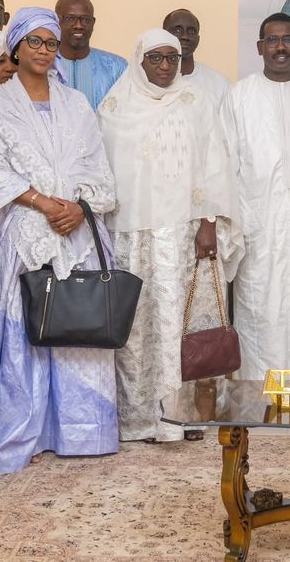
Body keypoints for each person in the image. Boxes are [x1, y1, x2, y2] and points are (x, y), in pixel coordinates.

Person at [0, 9, 119, 473]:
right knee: (25, 330)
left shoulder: (76, 102)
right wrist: (41, 201)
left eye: (50, 43)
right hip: (22, 231)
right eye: (33, 41)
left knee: (79, 323)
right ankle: (25, 431)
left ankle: (82, 431)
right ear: (15, 48)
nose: (42, 50)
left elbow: (97, 164)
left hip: (75, 229)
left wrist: (80, 206)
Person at [98, 29, 238, 443]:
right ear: (139, 61)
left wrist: (209, 223)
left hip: (181, 232)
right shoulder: (114, 107)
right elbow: (102, 168)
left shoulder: (196, 103)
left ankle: (180, 416)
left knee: (178, 323)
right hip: (130, 236)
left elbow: (214, 164)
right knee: (135, 327)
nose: (164, 67)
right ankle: (138, 419)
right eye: (155, 59)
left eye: (171, 59)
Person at [220, 12, 290, 380]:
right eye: (272, 40)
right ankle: (257, 401)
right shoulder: (239, 97)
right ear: (259, 47)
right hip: (257, 232)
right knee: (258, 312)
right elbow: (223, 166)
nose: (280, 47)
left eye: (288, 40)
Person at [54, 0, 127, 111]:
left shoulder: (117, 68)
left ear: (93, 23)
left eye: (85, 19)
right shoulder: (45, 66)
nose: (78, 25)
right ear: (57, 21)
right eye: (70, 19)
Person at [164, 8, 231, 109]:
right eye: (177, 30)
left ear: (198, 39)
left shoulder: (220, 85)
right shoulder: (147, 82)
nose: (185, 36)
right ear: (163, 35)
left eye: (191, 31)